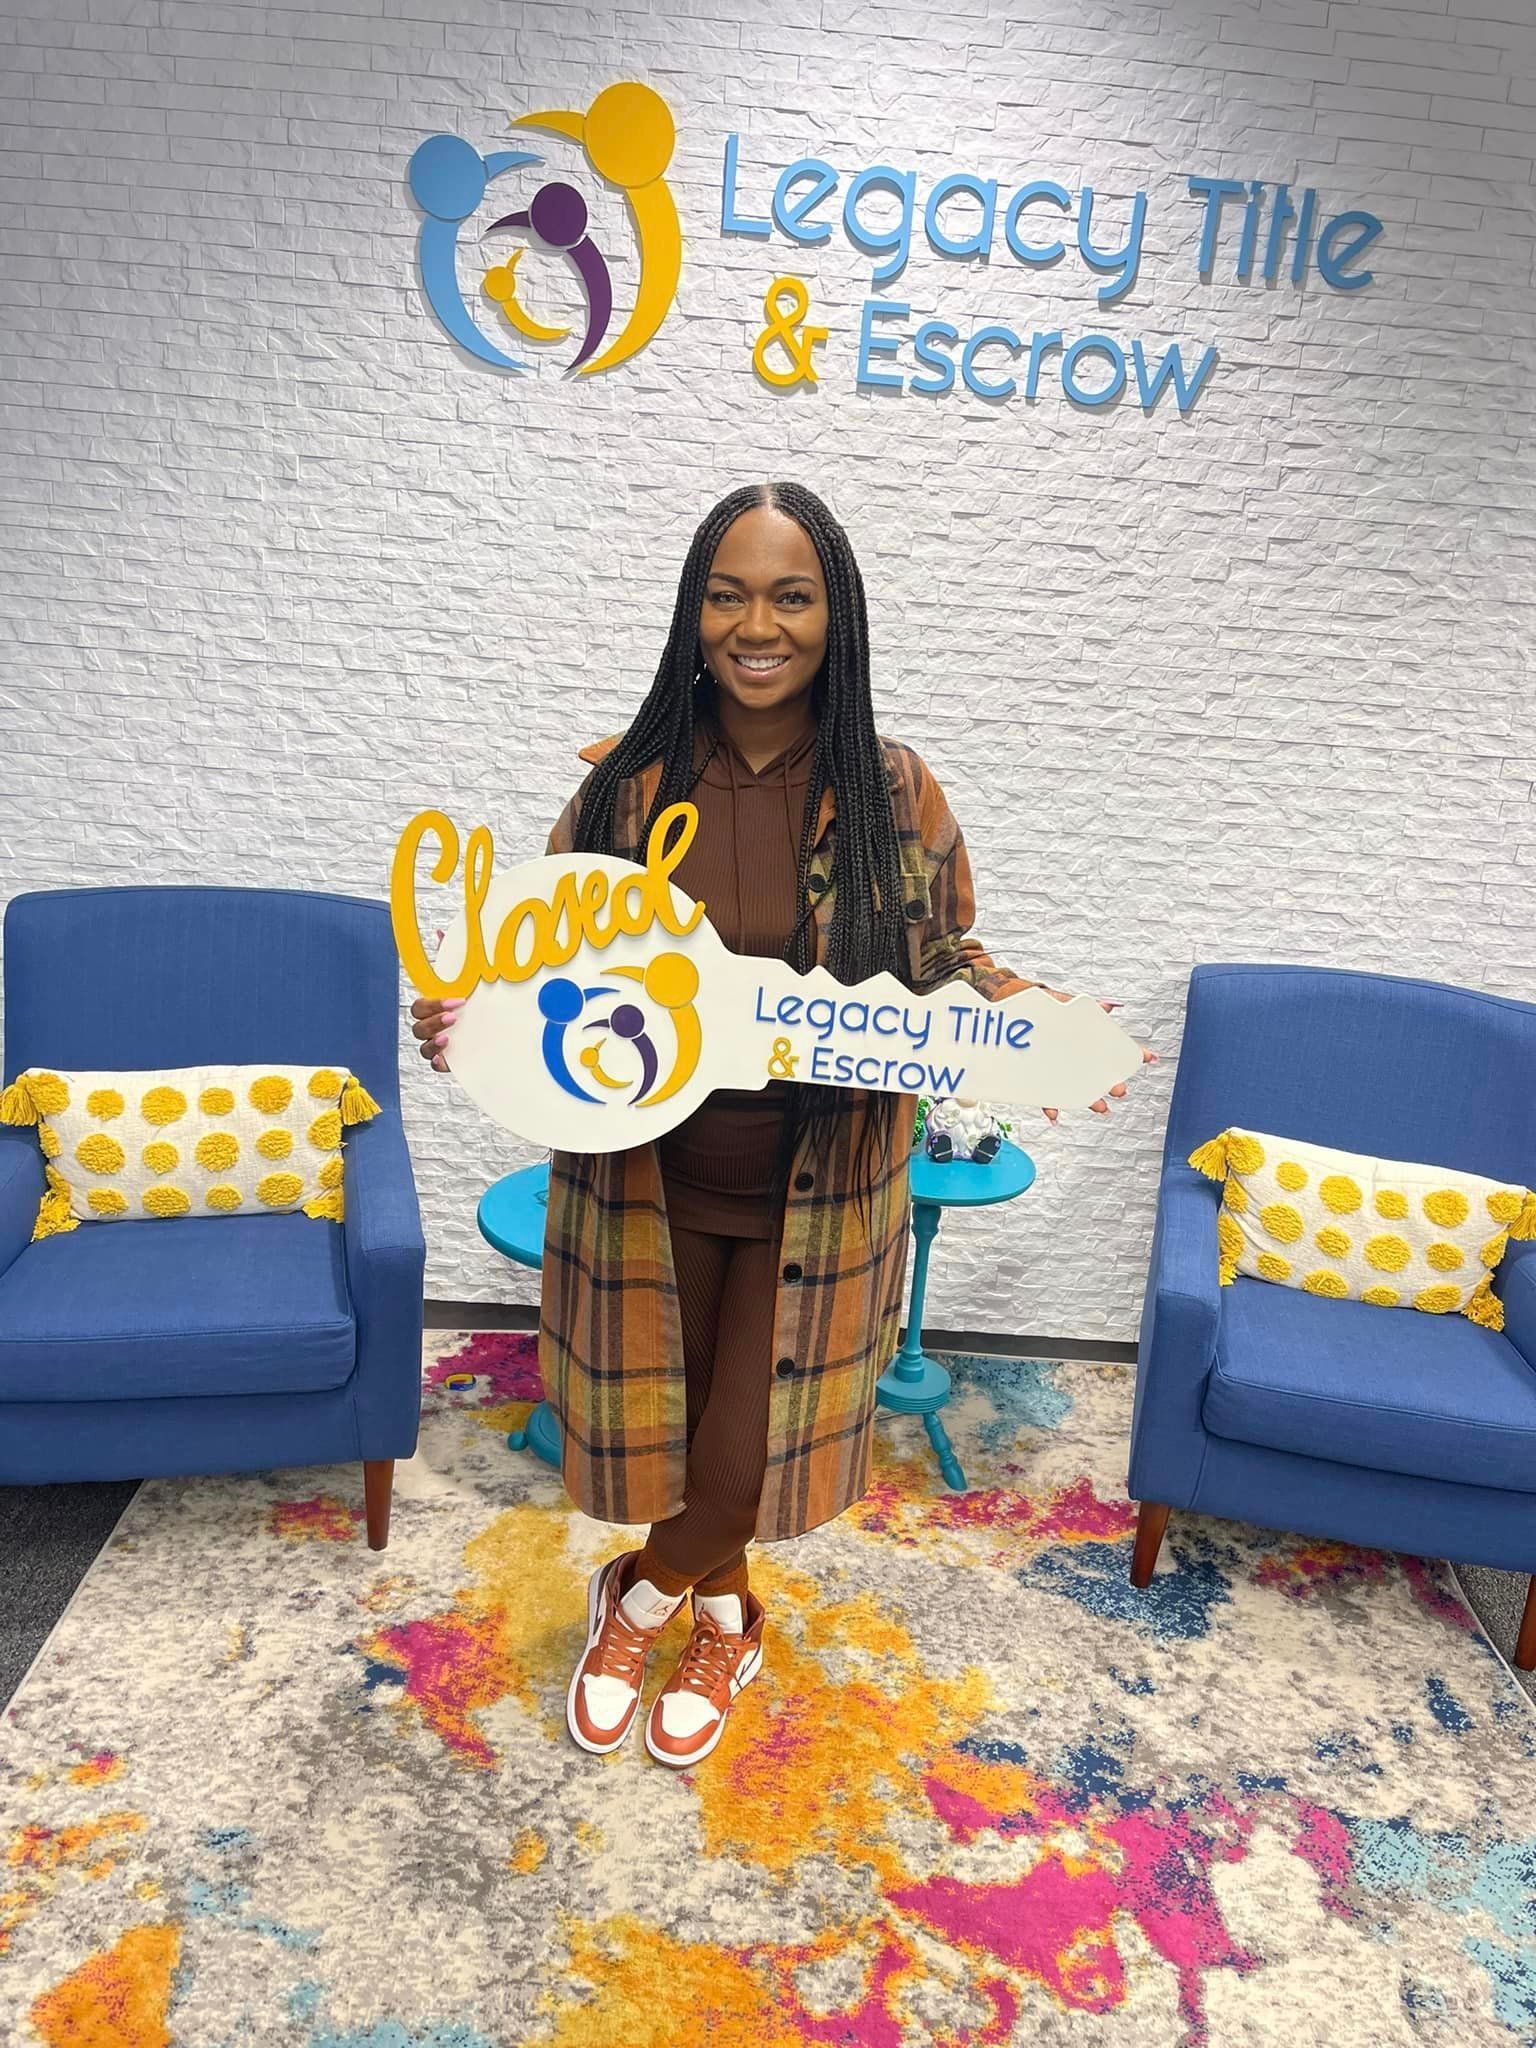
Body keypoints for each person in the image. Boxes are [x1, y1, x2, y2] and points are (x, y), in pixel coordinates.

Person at [410, 481, 1155, 1769]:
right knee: (682, 1435)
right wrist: (475, 1017)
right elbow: (540, 972)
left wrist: (1030, 1025)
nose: (759, 624)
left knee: (750, 1451)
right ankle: (726, 1616)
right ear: (695, 612)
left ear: (836, 613)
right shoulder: (623, 790)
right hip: (647, 1179)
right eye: (729, 593)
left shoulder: (894, 790)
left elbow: (945, 959)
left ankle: (641, 1599)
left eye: (791, 595)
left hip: (824, 1186)